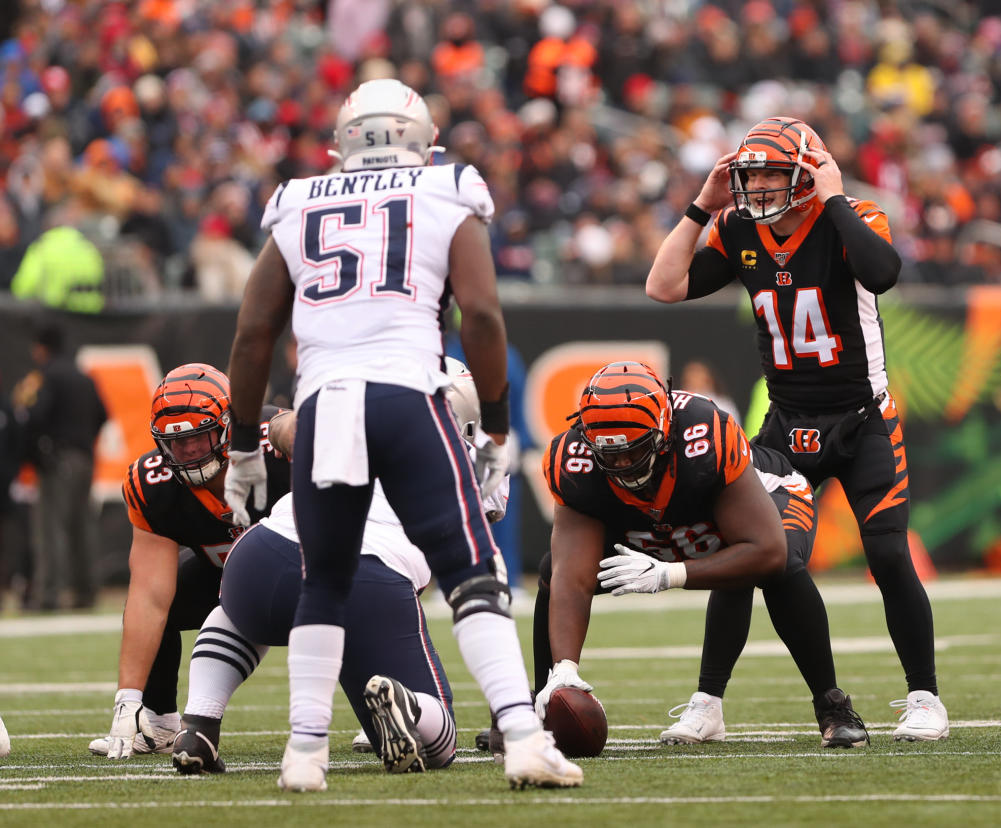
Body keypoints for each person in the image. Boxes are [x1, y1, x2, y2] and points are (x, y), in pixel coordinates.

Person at [223, 78, 580, 792]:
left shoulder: (298, 200)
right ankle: (522, 736)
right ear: (422, 140)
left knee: (323, 577)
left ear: (344, 140)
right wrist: (500, 429)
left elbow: (253, 331)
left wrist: (240, 447)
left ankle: (304, 754)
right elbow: (479, 314)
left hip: (324, 404)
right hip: (406, 394)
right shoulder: (449, 188)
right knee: (471, 571)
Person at [645, 116, 948, 740]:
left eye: (771, 174)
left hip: (862, 422)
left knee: (889, 554)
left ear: (809, 173)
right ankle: (708, 703)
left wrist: (833, 198)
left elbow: (884, 272)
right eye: (750, 175)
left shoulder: (851, 214)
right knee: (748, 554)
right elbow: (664, 285)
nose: (756, 188)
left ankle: (925, 698)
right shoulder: (737, 227)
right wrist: (701, 207)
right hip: (786, 427)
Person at [171, 359, 503, 776]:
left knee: (236, 615)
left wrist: (300, 424)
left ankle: (199, 722)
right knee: (440, 743)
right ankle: (410, 706)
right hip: (368, 576)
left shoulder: (350, 416)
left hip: (261, 556)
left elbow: (278, 428)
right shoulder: (476, 460)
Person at [532, 361, 869, 749]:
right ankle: (544, 704)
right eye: (611, 454)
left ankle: (831, 706)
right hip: (665, 525)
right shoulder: (573, 459)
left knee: (780, 568)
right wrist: (566, 669)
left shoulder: (704, 435)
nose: (622, 463)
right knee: (551, 572)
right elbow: (572, 577)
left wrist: (669, 575)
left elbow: (766, 550)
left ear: (663, 433)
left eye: (634, 450)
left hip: (769, 501)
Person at [88, 363, 290, 759]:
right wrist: (127, 697)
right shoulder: (153, 485)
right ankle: (160, 721)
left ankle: (393, 702)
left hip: (306, 572)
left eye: (200, 437)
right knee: (148, 604)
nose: (190, 450)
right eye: (176, 442)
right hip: (226, 581)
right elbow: (150, 598)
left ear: (231, 425)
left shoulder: (276, 445)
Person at [13, 325, 108, 611]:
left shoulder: (47, 375)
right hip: (84, 458)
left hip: (59, 459)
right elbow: (103, 414)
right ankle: (86, 592)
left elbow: (34, 415)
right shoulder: (83, 377)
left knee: (50, 526)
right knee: (83, 526)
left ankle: (49, 595)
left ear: (41, 348)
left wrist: (42, 447)